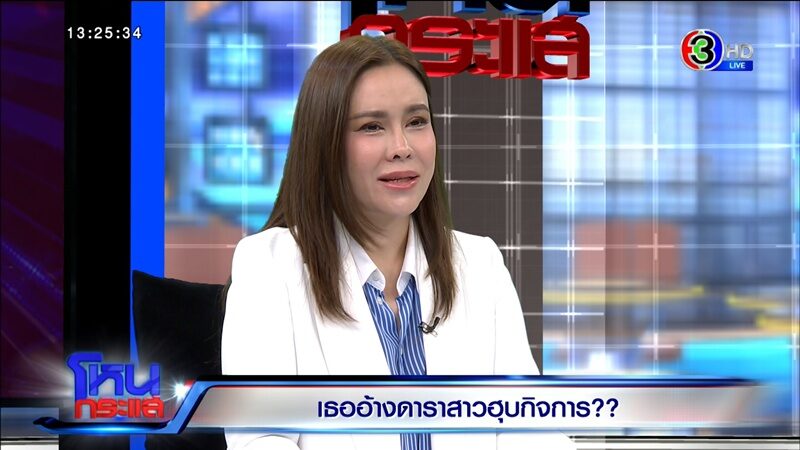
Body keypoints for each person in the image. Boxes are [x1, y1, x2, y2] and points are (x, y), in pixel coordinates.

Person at [221, 35, 574, 450]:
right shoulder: (268, 266)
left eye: (416, 121)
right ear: (324, 144)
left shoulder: (480, 263)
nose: (402, 148)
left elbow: (530, 427)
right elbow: (262, 440)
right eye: (372, 126)